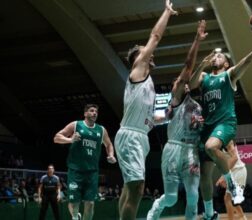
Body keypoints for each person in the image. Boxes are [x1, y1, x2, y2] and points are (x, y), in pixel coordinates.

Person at [189, 17, 252, 220]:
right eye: (215, 56)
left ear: (226, 62)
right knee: (204, 175)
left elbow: (248, 61)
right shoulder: (205, 78)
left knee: (211, 147)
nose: (216, 57)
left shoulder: (229, 75)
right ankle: (210, 212)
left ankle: (233, 185)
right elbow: (192, 83)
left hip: (225, 123)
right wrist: (202, 63)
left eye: (220, 56)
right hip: (207, 126)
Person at [114, 1, 177, 219]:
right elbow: (156, 36)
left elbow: (152, 119)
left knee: (129, 188)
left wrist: (169, 115)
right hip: (130, 136)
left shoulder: (148, 83)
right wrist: (167, 12)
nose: (151, 53)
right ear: (138, 59)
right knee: (137, 188)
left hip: (140, 137)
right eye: (145, 52)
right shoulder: (138, 70)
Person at [146, 20, 207, 220]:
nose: (182, 84)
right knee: (171, 198)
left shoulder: (198, 106)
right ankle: (154, 212)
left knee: (193, 195)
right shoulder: (177, 99)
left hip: (191, 151)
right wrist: (197, 40)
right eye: (178, 82)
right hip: (173, 149)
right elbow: (188, 68)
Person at [54, 104, 116, 220]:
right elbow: (57, 137)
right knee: (74, 203)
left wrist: (111, 155)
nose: (94, 113)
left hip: (92, 172)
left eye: (96, 112)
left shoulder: (101, 130)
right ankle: (75, 217)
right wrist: (70, 139)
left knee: (90, 203)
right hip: (75, 171)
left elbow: (109, 144)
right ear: (85, 113)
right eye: (91, 111)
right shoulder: (76, 125)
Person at [215, 141, 247, 220]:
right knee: (233, 200)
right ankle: (243, 218)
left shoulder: (228, 141)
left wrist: (223, 176)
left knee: (227, 198)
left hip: (239, 171)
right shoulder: (218, 143)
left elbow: (235, 158)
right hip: (233, 172)